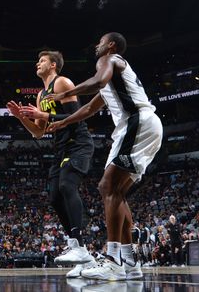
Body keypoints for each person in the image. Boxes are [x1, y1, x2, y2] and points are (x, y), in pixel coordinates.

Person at [25, 32, 163, 281]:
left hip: (136, 122)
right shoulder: (115, 79)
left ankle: (112, 260)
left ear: (110, 45)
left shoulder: (109, 60)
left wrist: (61, 96)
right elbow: (89, 108)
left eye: (100, 42)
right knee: (116, 192)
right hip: (139, 127)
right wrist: (62, 121)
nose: (96, 46)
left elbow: (98, 82)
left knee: (106, 186)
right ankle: (130, 261)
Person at [7, 50, 95, 278]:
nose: (38, 63)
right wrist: (22, 117)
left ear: (53, 65)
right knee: (54, 198)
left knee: (67, 186)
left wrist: (43, 116)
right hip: (60, 148)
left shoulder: (62, 83)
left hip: (78, 143)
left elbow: (77, 116)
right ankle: (82, 252)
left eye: (43, 60)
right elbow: (38, 133)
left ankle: (77, 243)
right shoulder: (40, 95)